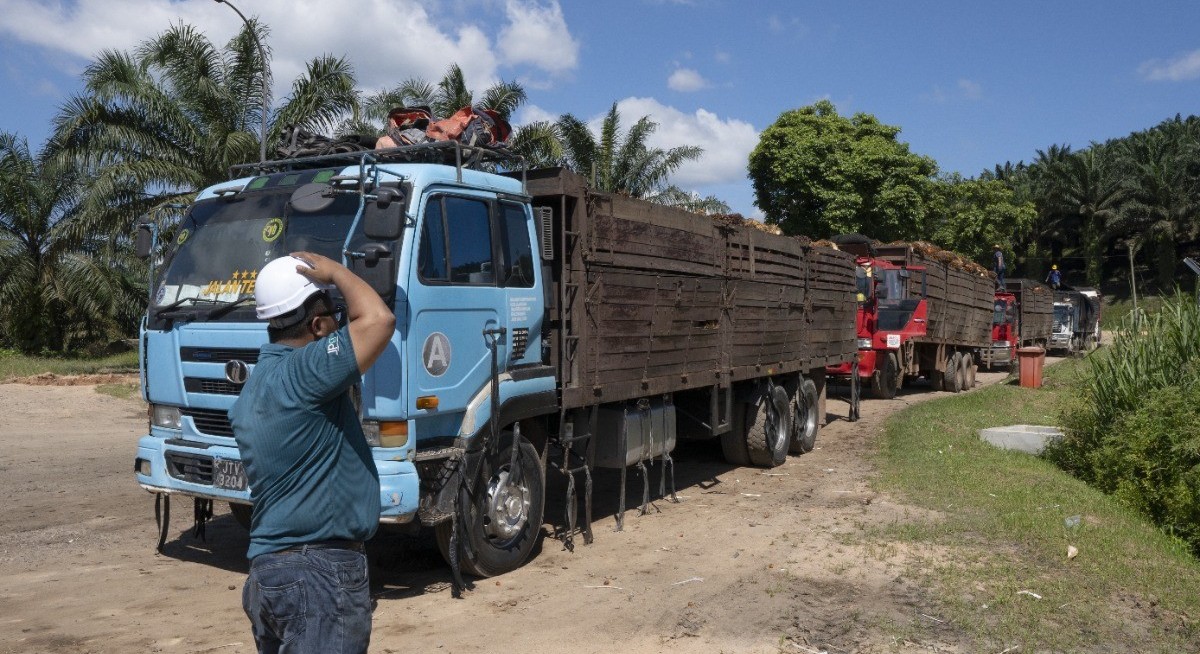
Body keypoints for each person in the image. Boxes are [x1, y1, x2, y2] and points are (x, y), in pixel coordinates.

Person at [230, 251, 395, 654]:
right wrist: (336, 272)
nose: (342, 322)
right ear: (318, 326)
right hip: (317, 575)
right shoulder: (306, 370)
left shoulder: (254, 387)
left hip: (269, 573)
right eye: (336, 316)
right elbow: (378, 319)